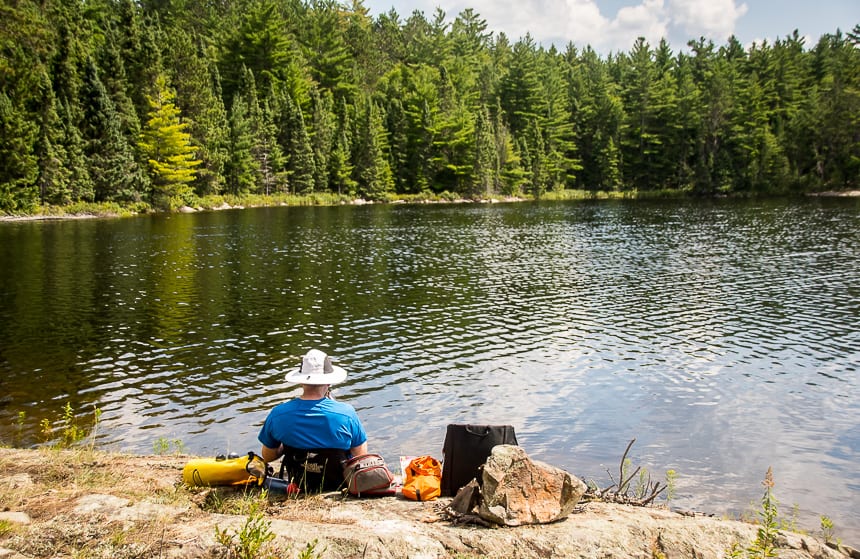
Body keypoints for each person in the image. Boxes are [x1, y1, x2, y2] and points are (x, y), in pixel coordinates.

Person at [258, 349, 368, 490]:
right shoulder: (347, 413)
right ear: (329, 382)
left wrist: (285, 446)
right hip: (339, 486)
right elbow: (361, 457)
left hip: (298, 484)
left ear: (301, 382)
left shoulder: (278, 414)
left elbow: (267, 456)